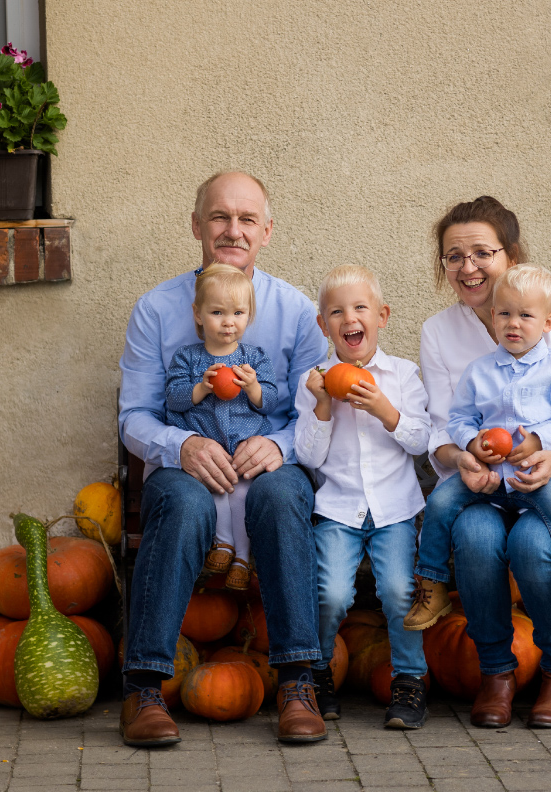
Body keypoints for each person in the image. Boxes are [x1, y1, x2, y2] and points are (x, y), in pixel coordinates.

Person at [118, 172, 329, 747]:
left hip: (267, 464)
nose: (232, 231)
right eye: (219, 217)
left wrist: (281, 445)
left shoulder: (296, 311)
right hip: (185, 469)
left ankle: (297, 679)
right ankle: (143, 687)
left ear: (266, 231)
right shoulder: (156, 309)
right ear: (196, 226)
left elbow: (315, 411)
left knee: (283, 494)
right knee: (183, 506)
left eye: (245, 220)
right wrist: (179, 446)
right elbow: (134, 414)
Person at [416, 196, 551, 729]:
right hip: (484, 483)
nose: (468, 267)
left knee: (532, 543)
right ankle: (495, 672)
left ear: (509, 254)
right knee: (480, 539)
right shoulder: (440, 331)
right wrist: (465, 457)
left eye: (481, 252)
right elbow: (444, 425)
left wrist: (549, 457)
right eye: (453, 256)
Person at [405, 264, 551, 634]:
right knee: (441, 501)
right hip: (490, 478)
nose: (514, 323)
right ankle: (431, 582)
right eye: (505, 313)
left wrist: (540, 440)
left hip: (535, 475)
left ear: (548, 322)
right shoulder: (478, 372)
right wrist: (473, 444)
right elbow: (457, 419)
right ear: (493, 317)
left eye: (526, 315)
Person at [293, 264, 433, 729]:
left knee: (398, 591)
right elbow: (308, 456)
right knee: (330, 593)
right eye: (336, 311)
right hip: (337, 509)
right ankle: (316, 674)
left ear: (381, 316)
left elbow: (420, 442)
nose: (349, 318)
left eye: (359, 308)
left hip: (394, 510)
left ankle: (410, 681)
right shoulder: (314, 381)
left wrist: (384, 410)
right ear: (323, 325)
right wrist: (323, 405)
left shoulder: (403, 375)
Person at [164, 263, 277, 590]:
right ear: (198, 314)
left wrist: (254, 387)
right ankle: (224, 543)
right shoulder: (187, 359)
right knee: (214, 490)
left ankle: (242, 559)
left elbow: (270, 401)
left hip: (243, 449)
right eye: (217, 312)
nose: (229, 321)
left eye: (238, 312)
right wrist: (201, 387)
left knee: (241, 493)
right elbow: (173, 398)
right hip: (208, 451)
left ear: (249, 315)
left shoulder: (254, 359)